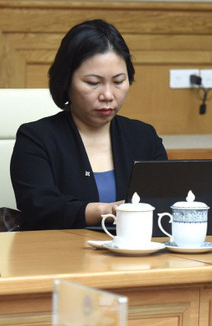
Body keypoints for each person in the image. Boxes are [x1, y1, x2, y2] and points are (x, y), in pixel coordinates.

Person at [10, 20, 167, 230]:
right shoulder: (36, 138)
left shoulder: (144, 136)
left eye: (119, 81)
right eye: (93, 83)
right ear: (66, 81)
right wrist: (106, 211)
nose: (108, 95)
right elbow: (39, 207)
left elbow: (166, 201)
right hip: (59, 249)